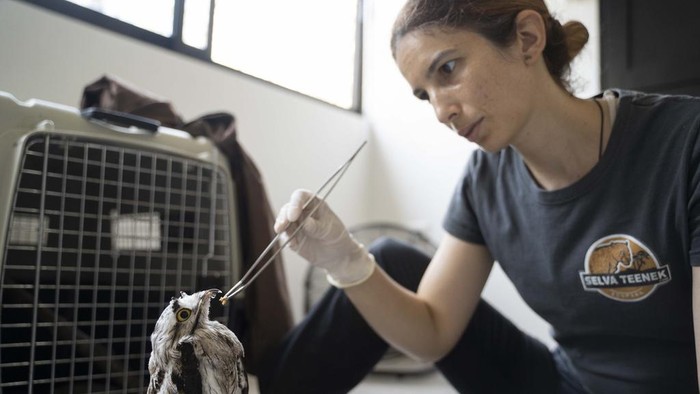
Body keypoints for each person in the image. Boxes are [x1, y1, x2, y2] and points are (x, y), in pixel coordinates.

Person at [256, 0, 700, 392]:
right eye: (423, 95)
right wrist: (344, 262)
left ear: (527, 39)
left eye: (447, 69)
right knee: (389, 258)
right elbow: (433, 331)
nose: (440, 111)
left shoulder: (685, 145)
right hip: (566, 383)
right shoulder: (485, 180)